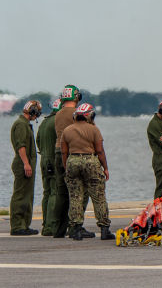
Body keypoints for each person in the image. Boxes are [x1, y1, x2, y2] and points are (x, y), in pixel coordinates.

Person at [60, 102, 113, 241]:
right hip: (91, 161)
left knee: (75, 196)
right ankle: (104, 229)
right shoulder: (94, 130)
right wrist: (105, 168)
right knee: (98, 196)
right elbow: (100, 151)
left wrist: (67, 168)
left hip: (73, 161)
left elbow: (64, 152)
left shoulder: (67, 130)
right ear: (89, 116)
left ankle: (76, 229)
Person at [51, 84, 80, 238]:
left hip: (57, 151)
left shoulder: (58, 114)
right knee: (78, 191)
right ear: (76, 97)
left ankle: (58, 228)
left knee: (61, 192)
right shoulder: (77, 113)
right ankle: (76, 225)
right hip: (71, 152)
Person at [9, 99, 42, 235]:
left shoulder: (25, 124)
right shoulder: (21, 125)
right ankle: (17, 226)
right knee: (20, 195)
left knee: (27, 196)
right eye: (37, 112)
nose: (37, 116)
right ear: (33, 111)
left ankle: (24, 224)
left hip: (26, 165)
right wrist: (26, 164)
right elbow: (21, 146)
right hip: (23, 164)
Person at [35, 98, 61, 236]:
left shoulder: (44, 122)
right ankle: (51, 226)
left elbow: (38, 142)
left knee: (46, 193)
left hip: (44, 160)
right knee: (55, 193)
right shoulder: (57, 121)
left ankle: (46, 224)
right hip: (53, 161)